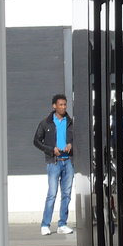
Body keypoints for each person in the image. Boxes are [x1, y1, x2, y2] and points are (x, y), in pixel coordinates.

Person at [33, 93, 75, 235]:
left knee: (66, 195)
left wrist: (71, 144)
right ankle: (45, 224)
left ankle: (62, 224)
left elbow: (78, 138)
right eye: (60, 105)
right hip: (54, 163)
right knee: (52, 194)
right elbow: (36, 141)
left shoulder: (70, 122)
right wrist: (51, 150)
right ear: (54, 106)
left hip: (68, 162)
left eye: (65, 104)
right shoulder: (46, 123)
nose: (63, 107)